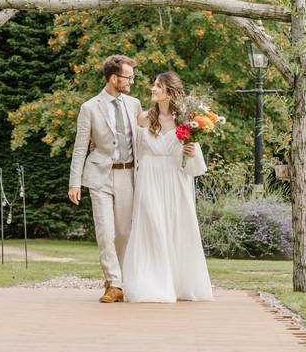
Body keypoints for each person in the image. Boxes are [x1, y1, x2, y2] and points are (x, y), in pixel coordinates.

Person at [121, 70, 213, 303]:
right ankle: (152, 282)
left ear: (169, 92)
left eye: (158, 86)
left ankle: (177, 282)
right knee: (151, 226)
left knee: (175, 226)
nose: (153, 89)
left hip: (175, 179)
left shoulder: (186, 121)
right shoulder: (143, 119)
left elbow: (195, 163)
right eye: (154, 85)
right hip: (149, 178)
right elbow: (130, 149)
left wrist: (192, 151)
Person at [68, 55, 143, 303]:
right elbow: (80, 147)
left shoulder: (134, 104)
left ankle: (115, 279)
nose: (131, 81)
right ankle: (115, 282)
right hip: (100, 176)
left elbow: (143, 140)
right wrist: (75, 182)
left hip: (129, 174)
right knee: (105, 231)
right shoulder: (89, 108)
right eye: (128, 77)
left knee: (123, 232)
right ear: (114, 78)